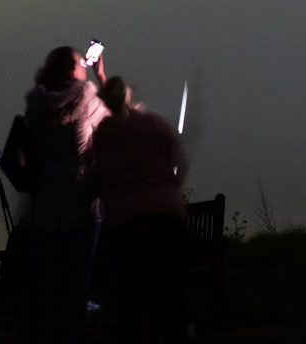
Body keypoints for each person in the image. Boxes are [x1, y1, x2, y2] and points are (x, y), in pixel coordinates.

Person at [88, 76, 187, 343]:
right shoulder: (154, 123)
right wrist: (171, 186)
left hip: (126, 222)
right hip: (166, 217)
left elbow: (95, 177)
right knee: (168, 294)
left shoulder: (104, 134)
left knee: (131, 297)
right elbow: (180, 158)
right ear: (129, 96)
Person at [23, 45, 108, 344]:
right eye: (79, 63)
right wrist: (100, 75)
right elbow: (115, 117)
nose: (83, 65)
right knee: (78, 284)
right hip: (80, 204)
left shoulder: (35, 103)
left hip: (46, 207)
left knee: (50, 285)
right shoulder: (86, 96)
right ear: (71, 70)